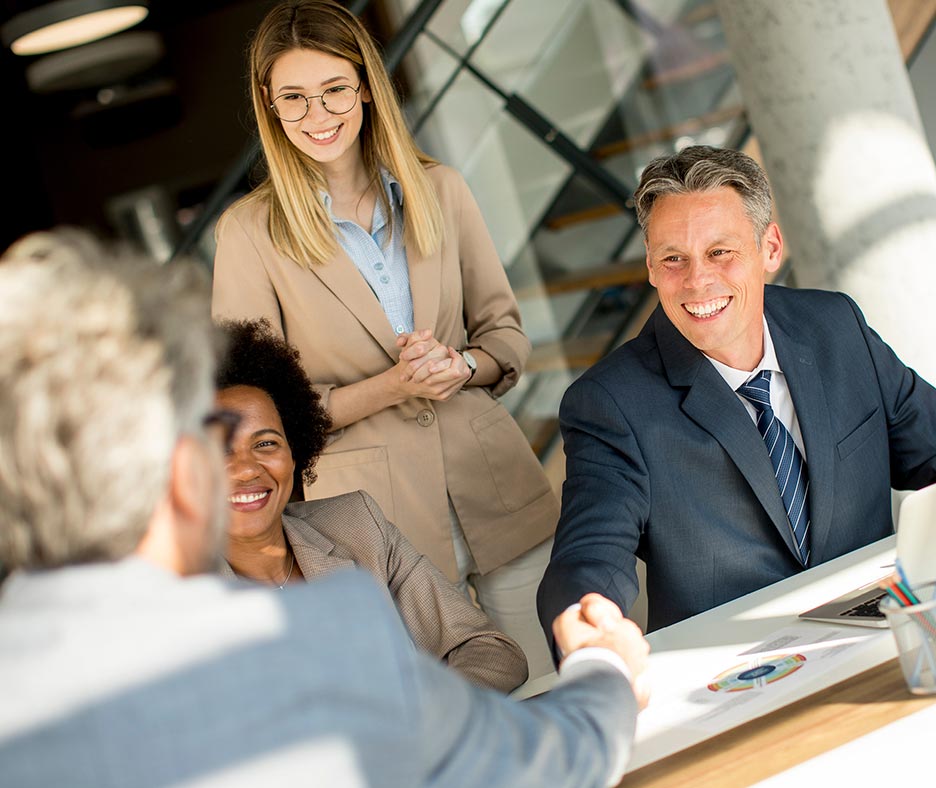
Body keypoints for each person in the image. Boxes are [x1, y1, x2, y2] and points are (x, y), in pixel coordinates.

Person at [0, 230, 650, 787]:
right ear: (177, 466)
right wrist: (604, 668)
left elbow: (488, 654)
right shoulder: (313, 636)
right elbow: (546, 762)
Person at [211, 0, 557, 677]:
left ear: (367, 83)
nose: (319, 115)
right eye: (295, 98)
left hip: (499, 491)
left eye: (335, 89)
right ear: (270, 104)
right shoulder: (248, 234)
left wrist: (465, 364)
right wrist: (391, 386)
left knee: (556, 684)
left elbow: (507, 336)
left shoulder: (441, 189)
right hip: (383, 528)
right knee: (459, 715)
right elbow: (254, 409)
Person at [538, 144, 936, 648]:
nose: (698, 281)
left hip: (889, 639)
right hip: (741, 672)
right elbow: (588, 554)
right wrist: (587, 628)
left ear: (770, 247)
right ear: (651, 268)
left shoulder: (837, 327)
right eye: (673, 259)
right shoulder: (610, 403)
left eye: (720, 251)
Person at [216, 318, 528, 692]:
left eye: (266, 443)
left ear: (294, 450)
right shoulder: (162, 609)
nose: (248, 469)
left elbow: (492, 651)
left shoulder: (357, 524)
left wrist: (421, 724)